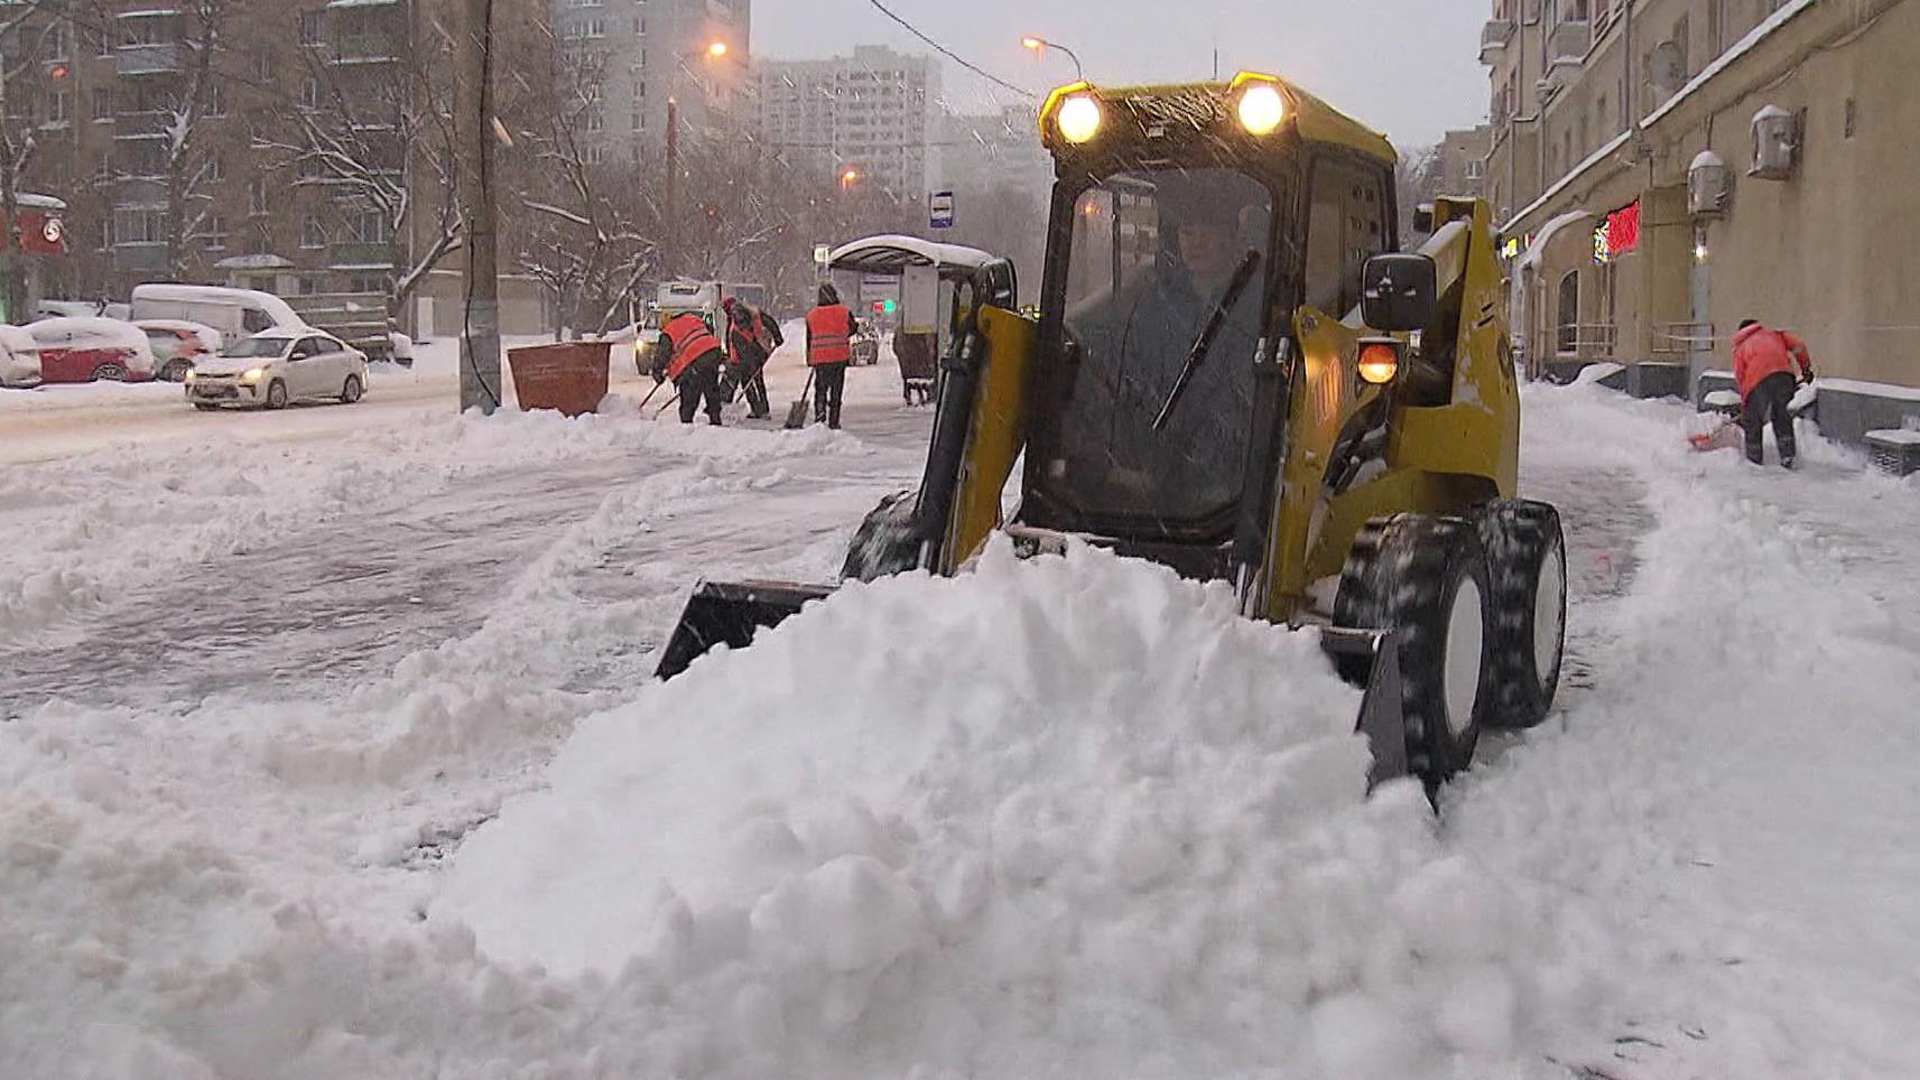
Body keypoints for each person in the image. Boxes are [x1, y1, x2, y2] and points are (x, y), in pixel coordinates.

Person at [1731, 317, 1815, 467]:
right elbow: (1799, 346)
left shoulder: (1742, 347)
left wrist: (1746, 405)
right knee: (1782, 415)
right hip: (1784, 377)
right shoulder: (1775, 335)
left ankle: (1754, 461)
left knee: (1753, 421)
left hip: (1757, 382)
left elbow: (1741, 378)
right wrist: (1805, 368)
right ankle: (1788, 456)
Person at [652, 309, 727, 425]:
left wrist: (657, 372)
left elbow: (662, 354)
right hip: (713, 352)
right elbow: (709, 329)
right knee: (711, 387)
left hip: (694, 361)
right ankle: (715, 418)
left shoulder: (668, 331)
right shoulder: (692, 319)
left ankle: (686, 425)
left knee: (689, 396)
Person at [805, 282, 860, 429]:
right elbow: (853, 328)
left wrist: (809, 359)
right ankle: (834, 421)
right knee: (836, 390)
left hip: (820, 359)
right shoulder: (844, 312)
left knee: (821, 389)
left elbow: (809, 338)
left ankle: (820, 417)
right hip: (839, 358)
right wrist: (842, 334)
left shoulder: (812, 315)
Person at [721, 296, 783, 420]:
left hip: (747, 355)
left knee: (747, 382)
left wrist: (745, 363)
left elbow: (737, 345)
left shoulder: (735, 325)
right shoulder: (754, 313)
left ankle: (757, 409)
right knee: (758, 381)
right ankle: (763, 409)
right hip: (759, 350)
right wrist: (777, 337)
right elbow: (770, 321)